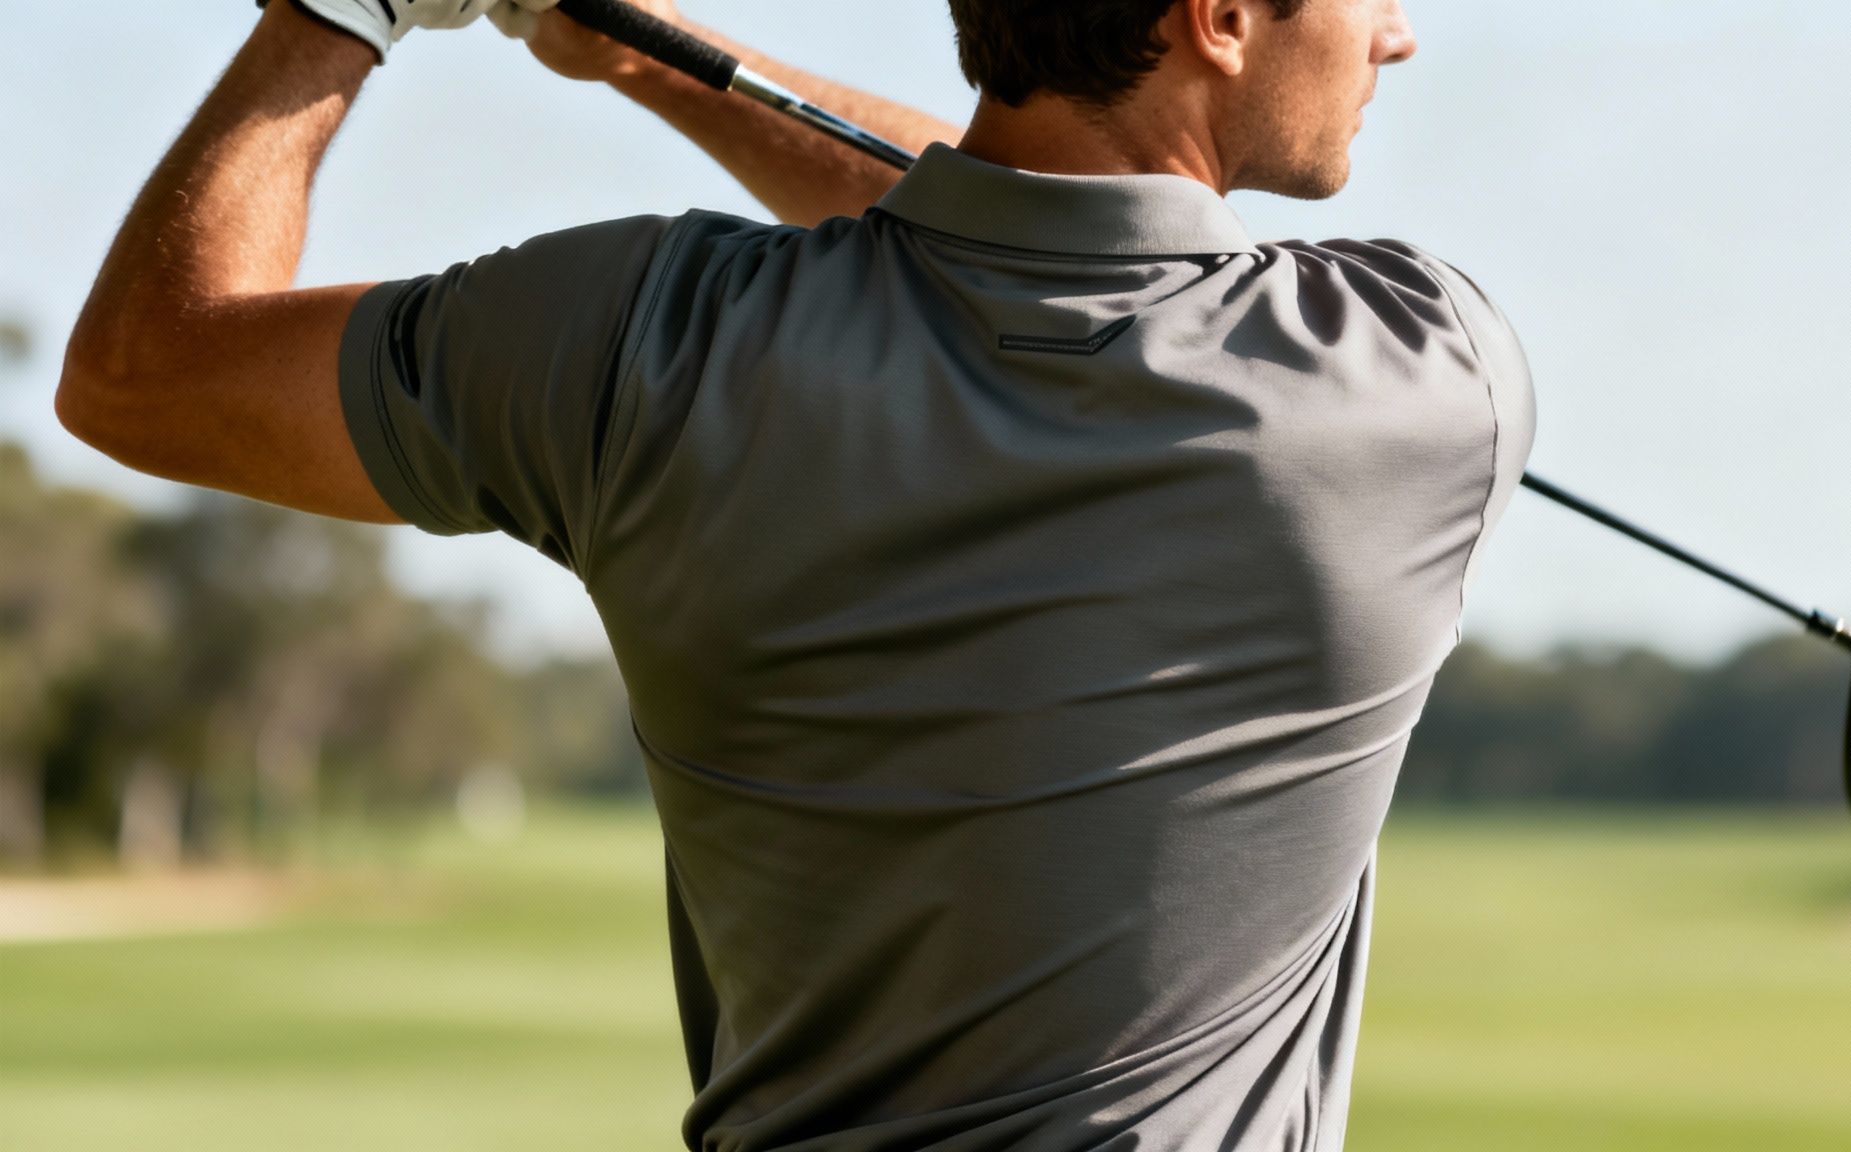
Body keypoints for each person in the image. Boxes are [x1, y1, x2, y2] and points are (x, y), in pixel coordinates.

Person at [57, 0, 1535, 1146]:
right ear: (1214, 16)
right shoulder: (1423, 380)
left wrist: (343, 12)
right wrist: (664, 55)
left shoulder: (640, 341)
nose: (1397, 30)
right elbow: (1012, 233)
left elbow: (144, 373)